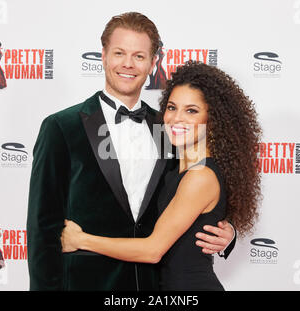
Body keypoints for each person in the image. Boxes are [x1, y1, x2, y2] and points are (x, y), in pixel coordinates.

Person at [27, 12, 235, 291]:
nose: (128, 64)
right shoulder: (61, 127)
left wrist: (229, 232)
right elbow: (43, 228)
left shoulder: (166, 128)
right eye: (119, 53)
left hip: (152, 285)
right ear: (103, 55)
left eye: (139, 56)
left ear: (152, 63)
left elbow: (192, 191)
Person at [61, 61, 262, 290]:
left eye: (191, 111)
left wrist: (80, 240)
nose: (176, 118)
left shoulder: (201, 177)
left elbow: (153, 250)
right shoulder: (176, 165)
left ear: (213, 120)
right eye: (172, 107)